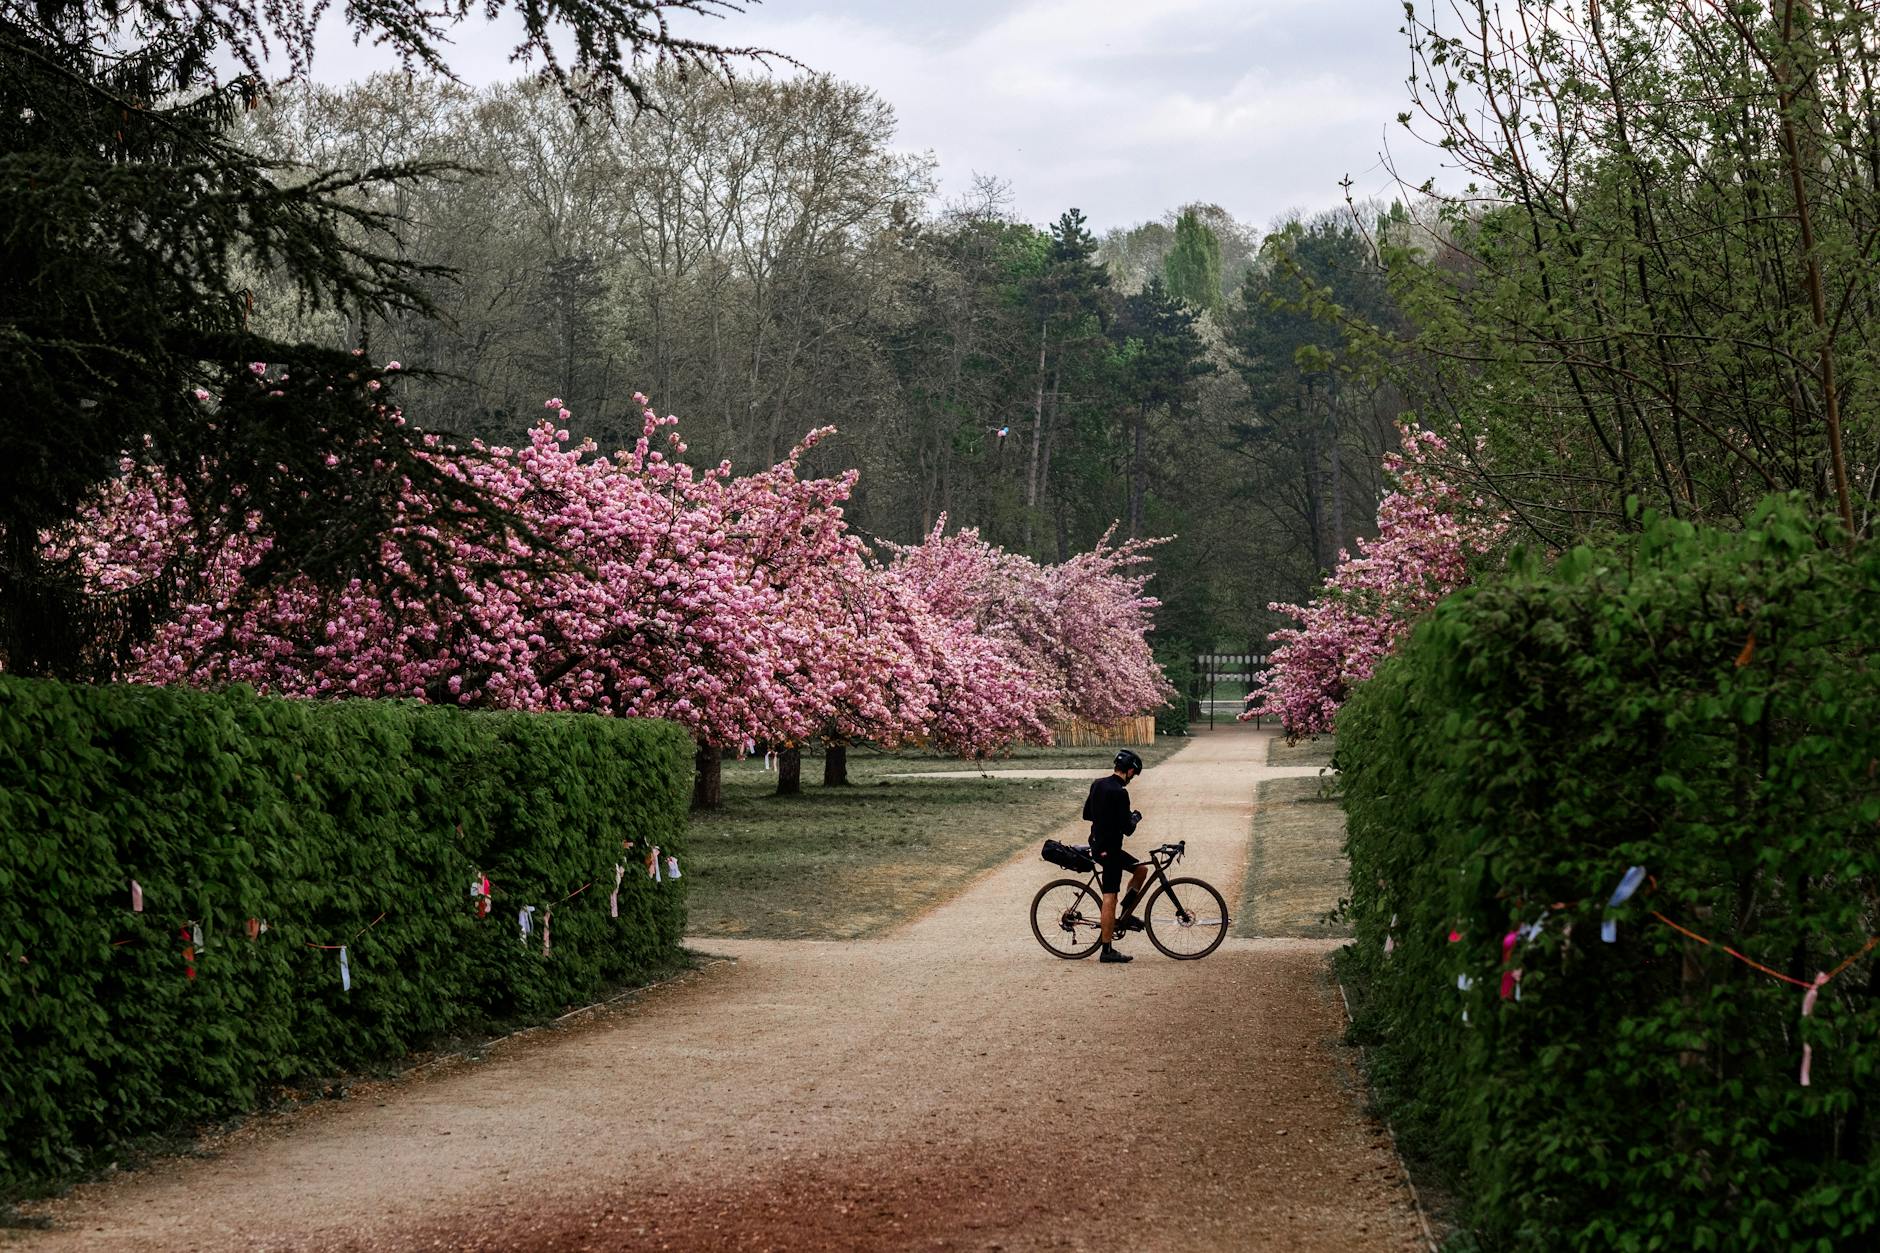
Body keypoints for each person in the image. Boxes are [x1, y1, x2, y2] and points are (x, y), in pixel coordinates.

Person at [1084, 748, 1149, 964]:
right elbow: (1127, 829)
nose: (1132, 778)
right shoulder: (1120, 793)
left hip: (1099, 844)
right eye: (1133, 774)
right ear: (1130, 771)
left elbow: (1087, 814)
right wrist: (1135, 817)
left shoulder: (1098, 784)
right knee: (1110, 896)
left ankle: (1125, 916)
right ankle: (1107, 950)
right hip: (1108, 850)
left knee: (1141, 869)